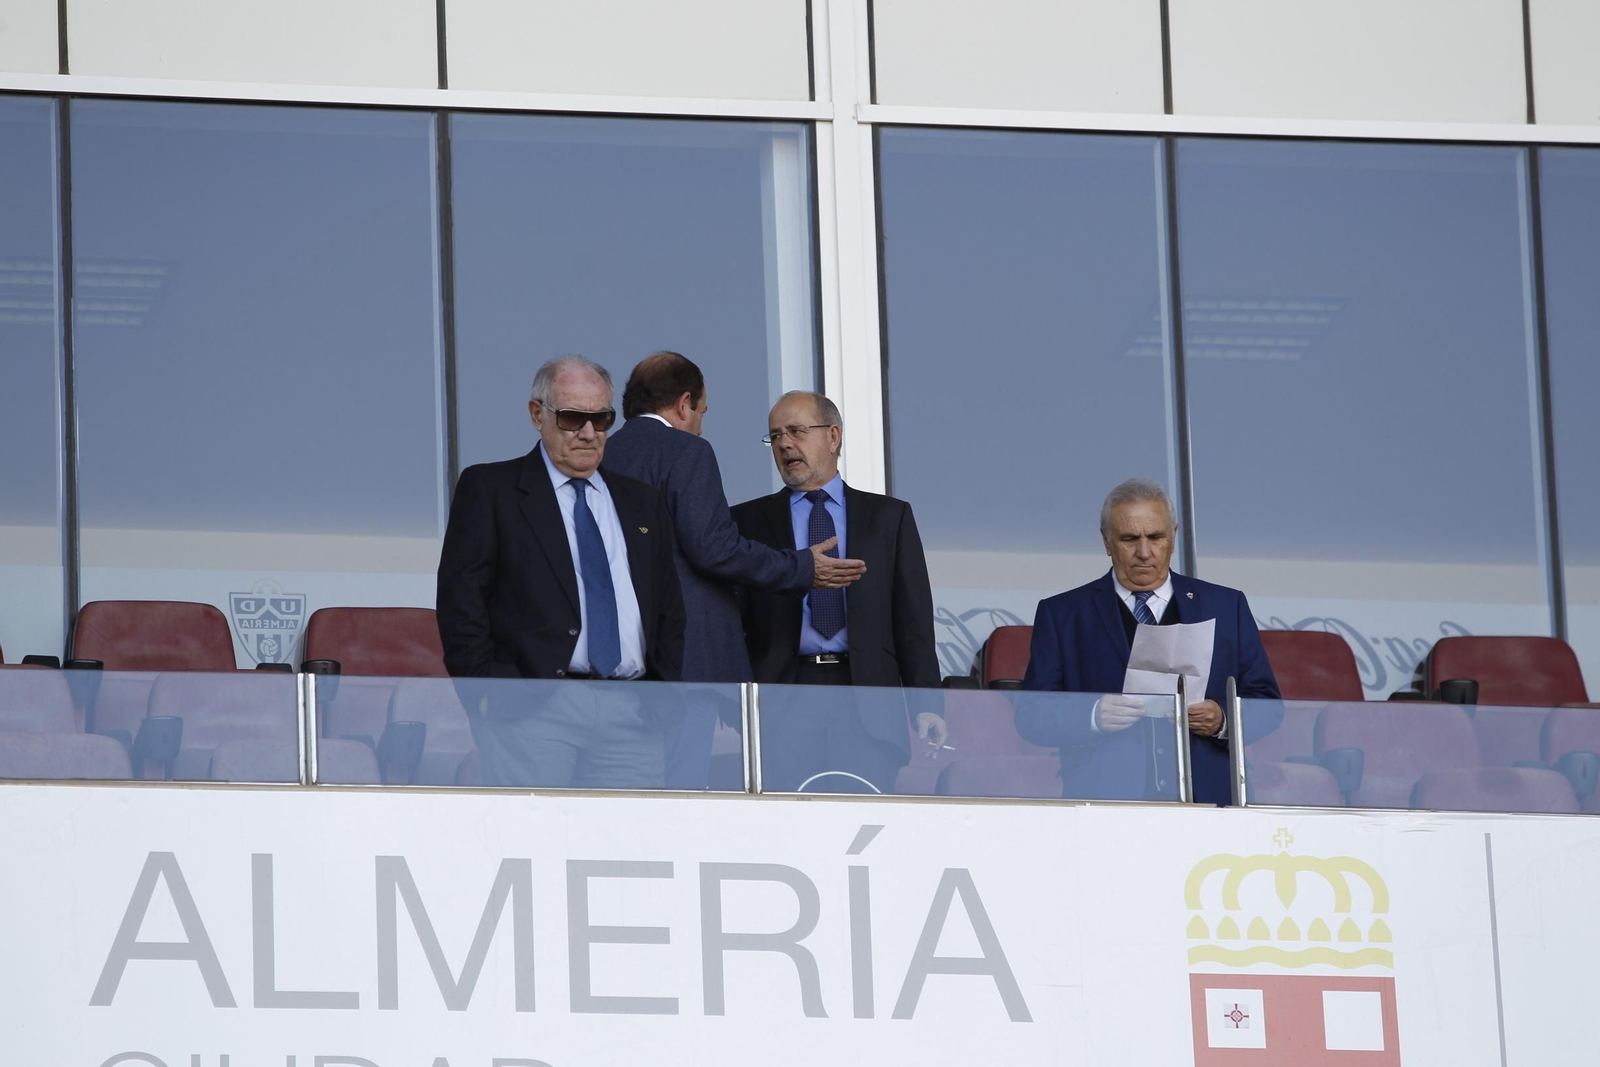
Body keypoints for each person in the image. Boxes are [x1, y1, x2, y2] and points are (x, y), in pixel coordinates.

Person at [604, 353, 867, 788]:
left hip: (618, 662)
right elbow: (713, 548)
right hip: (688, 664)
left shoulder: (602, 454)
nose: (701, 426)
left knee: (628, 798)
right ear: (685, 403)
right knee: (677, 796)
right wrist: (801, 566)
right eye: (702, 413)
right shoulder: (687, 450)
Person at [436, 356, 686, 789]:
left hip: (635, 711)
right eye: (573, 418)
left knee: (629, 852)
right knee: (533, 846)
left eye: (601, 418)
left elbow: (668, 606)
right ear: (538, 415)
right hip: (532, 709)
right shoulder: (491, 490)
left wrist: (662, 696)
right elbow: (461, 602)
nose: (589, 433)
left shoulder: (642, 501)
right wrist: (486, 691)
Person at [1015, 478, 1280, 805]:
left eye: (1155, 537)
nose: (1144, 552)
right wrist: (1092, 714)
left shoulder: (1226, 606)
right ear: (1107, 542)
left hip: (1212, 798)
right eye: (1129, 538)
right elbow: (1031, 716)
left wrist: (1222, 719)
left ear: (1173, 536)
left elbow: (1267, 704)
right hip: (1105, 803)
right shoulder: (1064, 614)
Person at [731, 390, 945, 793]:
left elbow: (912, 618)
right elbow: (733, 621)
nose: (784, 445)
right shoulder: (746, 521)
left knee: (862, 824)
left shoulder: (889, 517)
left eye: (796, 431)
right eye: (775, 436)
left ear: (833, 436)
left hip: (865, 698)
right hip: (783, 700)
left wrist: (927, 704)